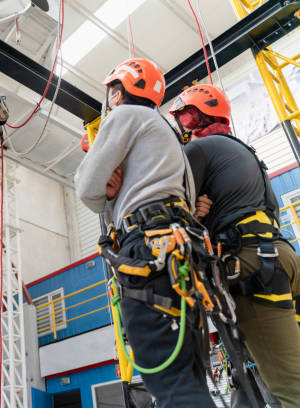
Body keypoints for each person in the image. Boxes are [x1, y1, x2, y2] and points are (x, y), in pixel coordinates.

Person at [75, 58, 217, 407]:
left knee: (171, 386)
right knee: (189, 380)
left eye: (111, 92)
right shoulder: (168, 136)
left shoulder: (123, 117)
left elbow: (85, 187)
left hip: (148, 251)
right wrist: (111, 197)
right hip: (181, 254)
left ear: (119, 92)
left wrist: (107, 196)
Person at [170, 84, 300, 408]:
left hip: (254, 270)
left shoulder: (200, 151)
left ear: (201, 118)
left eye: (186, 118)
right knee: (259, 376)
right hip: (283, 258)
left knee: (292, 391)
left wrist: (192, 214)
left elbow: (171, 206)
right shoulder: (245, 154)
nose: (183, 127)